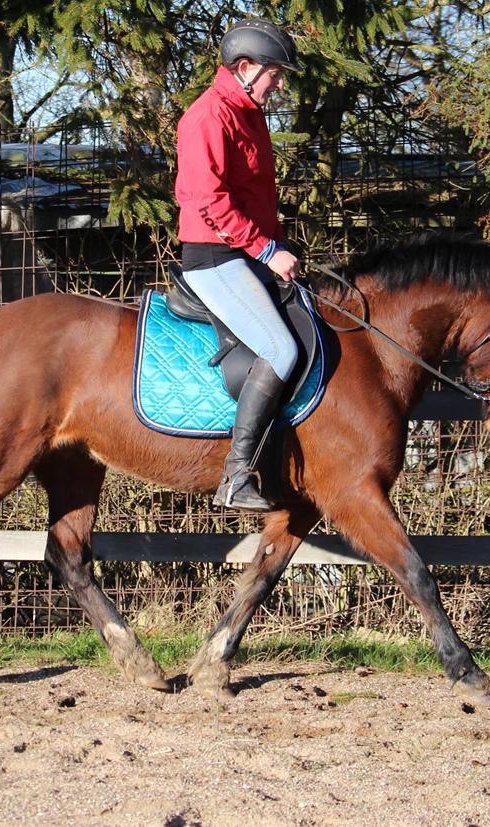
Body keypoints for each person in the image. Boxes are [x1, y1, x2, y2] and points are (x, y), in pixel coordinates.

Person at [175, 18, 304, 512]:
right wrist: (269, 251)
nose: (278, 84)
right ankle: (235, 476)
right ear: (245, 69)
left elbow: (254, 198)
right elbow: (210, 203)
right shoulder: (208, 117)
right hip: (214, 257)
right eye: (274, 74)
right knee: (280, 349)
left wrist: (278, 248)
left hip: (246, 252)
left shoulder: (248, 114)